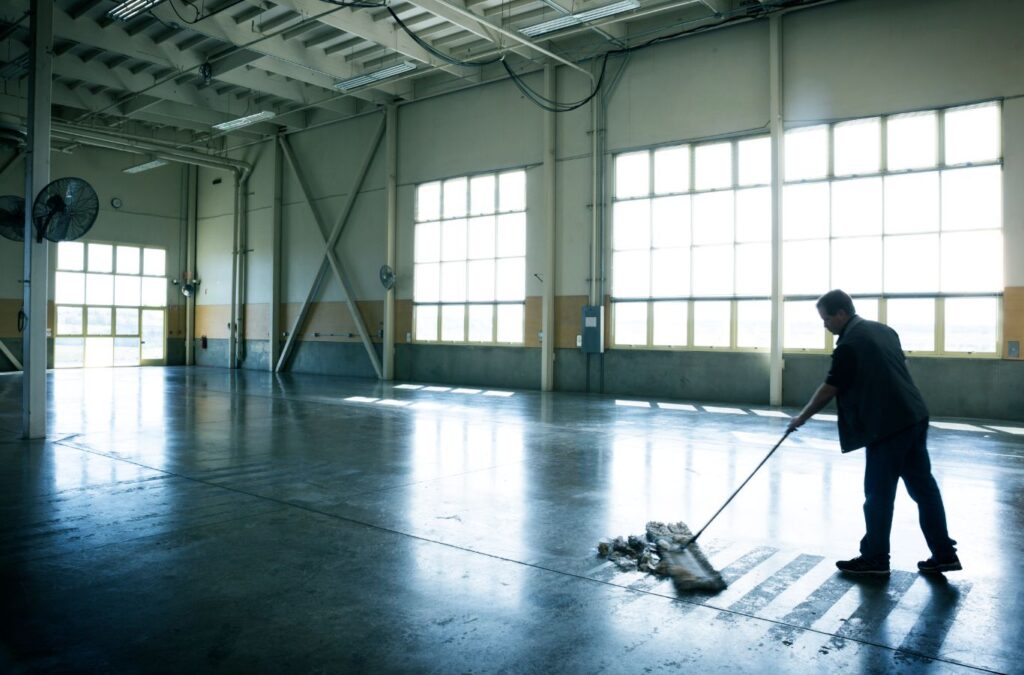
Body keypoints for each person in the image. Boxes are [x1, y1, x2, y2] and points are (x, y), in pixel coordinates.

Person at [787, 289, 960, 576]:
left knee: (878, 495)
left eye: (826, 318)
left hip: (888, 425)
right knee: (924, 490)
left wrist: (801, 417)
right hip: (914, 415)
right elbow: (899, 368)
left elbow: (831, 388)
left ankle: (875, 559)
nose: (825, 324)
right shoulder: (884, 330)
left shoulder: (850, 344)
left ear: (841, 313)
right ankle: (944, 554)